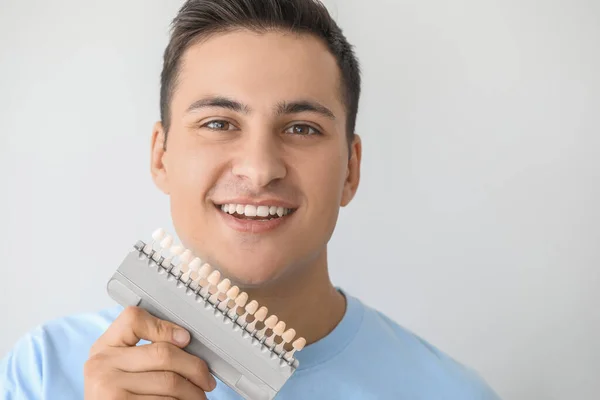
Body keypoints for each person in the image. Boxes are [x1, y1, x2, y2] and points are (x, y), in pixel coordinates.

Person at [0, 0, 501, 398]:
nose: (259, 169)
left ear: (351, 169)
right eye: (219, 123)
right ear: (161, 156)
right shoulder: (43, 373)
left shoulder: (451, 393)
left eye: (302, 128)